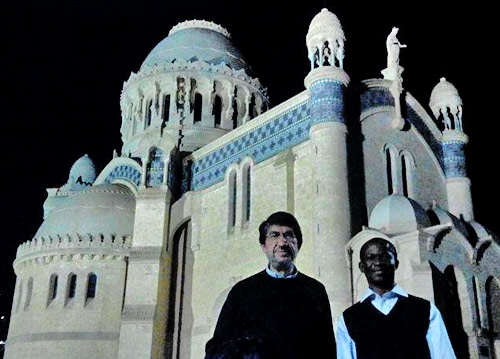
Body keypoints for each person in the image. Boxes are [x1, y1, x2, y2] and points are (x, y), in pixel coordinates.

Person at [205, 211, 336, 359]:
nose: (282, 243)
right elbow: (217, 348)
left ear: (298, 245)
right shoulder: (242, 291)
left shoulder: (315, 291)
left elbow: (327, 348)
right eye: (274, 235)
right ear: (263, 246)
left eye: (289, 235)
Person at [337, 238, 456, 359]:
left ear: (396, 264)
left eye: (385, 256)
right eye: (371, 257)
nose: (378, 262)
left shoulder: (426, 310)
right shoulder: (348, 319)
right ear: (361, 267)